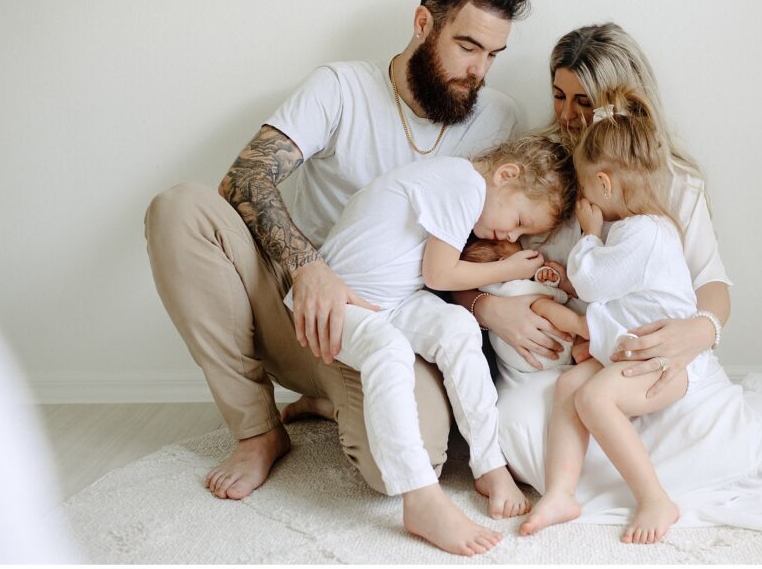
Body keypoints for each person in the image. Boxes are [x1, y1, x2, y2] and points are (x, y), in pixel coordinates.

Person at [459, 23, 762, 535]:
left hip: (644, 350)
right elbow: (466, 254)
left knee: (699, 426)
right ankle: (574, 488)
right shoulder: (539, 166)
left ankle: (647, 491)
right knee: (522, 421)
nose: (567, 115)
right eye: (558, 95)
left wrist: (698, 332)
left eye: (583, 101)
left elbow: (713, 284)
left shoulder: (671, 182)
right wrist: (486, 305)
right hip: (577, 352)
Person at [144, 0, 530, 502]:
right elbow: (246, 177)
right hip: (300, 312)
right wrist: (308, 267)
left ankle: (328, 402)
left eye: (494, 54)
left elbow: (481, 246)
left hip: (394, 328)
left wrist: (486, 307)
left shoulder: (498, 118)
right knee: (180, 209)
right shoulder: (341, 87)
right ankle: (257, 431)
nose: (479, 70)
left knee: (412, 468)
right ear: (424, 24)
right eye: (468, 47)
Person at [290, 135, 575, 555]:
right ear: (506, 175)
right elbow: (439, 274)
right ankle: (419, 497)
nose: (512, 235)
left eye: (522, 234)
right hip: (344, 300)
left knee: (459, 326)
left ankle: (489, 464)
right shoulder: (463, 182)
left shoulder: (469, 187)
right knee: (390, 351)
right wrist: (508, 266)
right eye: (518, 220)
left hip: (395, 300)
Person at [521, 102, 718, 544]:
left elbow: (592, 283)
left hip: (668, 363)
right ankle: (560, 492)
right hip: (635, 347)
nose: (585, 200)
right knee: (568, 388)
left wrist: (590, 234)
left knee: (593, 398)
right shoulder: (643, 230)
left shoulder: (643, 234)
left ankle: (653, 498)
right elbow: (624, 301)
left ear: (604, 183)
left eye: (588, 187)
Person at [460, 238, 573, 372]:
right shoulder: (513, 287)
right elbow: (542, 293)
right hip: (545, 351)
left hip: (518, 360)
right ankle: (579, 326)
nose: (515, 239)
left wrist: (540, 279)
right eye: (520, 251)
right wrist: (562, 293)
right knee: (542, 304)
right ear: (503, 262)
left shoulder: (486, 288)